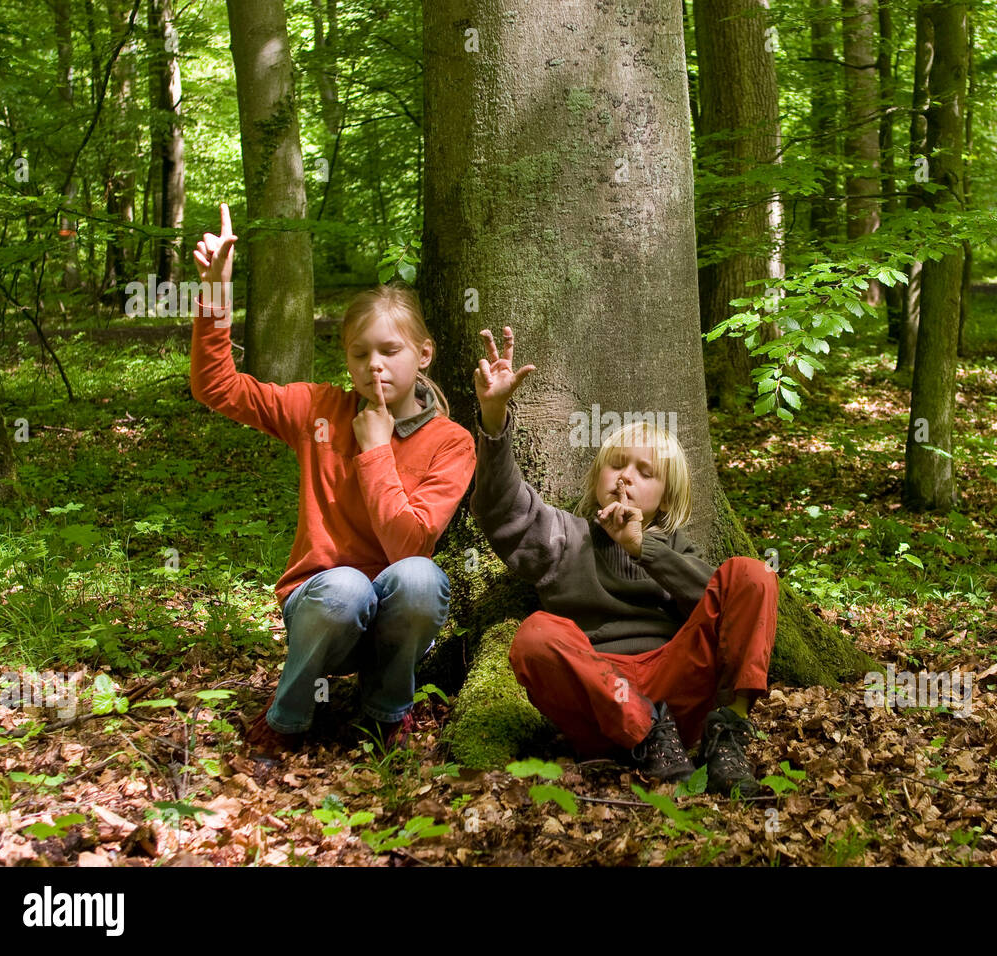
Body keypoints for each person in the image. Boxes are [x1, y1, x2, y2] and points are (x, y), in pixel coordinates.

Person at [188, 204, 475, 758]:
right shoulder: (317, 408)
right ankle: (288, 717)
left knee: (420, 577)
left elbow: (408, 544)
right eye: (359, 352)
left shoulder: (451, 441)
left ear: (423, 353)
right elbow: (217, 387)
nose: (375, 366)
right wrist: (216, 292)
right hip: (322, 610)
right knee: (344, 586)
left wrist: (375, 451)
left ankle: (386, 711)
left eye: (390, 351)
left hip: (392, 621)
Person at [470, 326, 779, 795]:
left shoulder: (673, 546)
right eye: (616, 464)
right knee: (535, 634)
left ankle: (728, 734)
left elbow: (719, 600)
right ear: (597, 476)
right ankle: (646, 730)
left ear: (666, 494)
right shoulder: (565, 534)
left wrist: (643, 549)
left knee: (752, 573)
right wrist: (494, 419)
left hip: (677, 693)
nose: (625, 479)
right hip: (601, 695)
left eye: (645, 471)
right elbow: (502, 509)